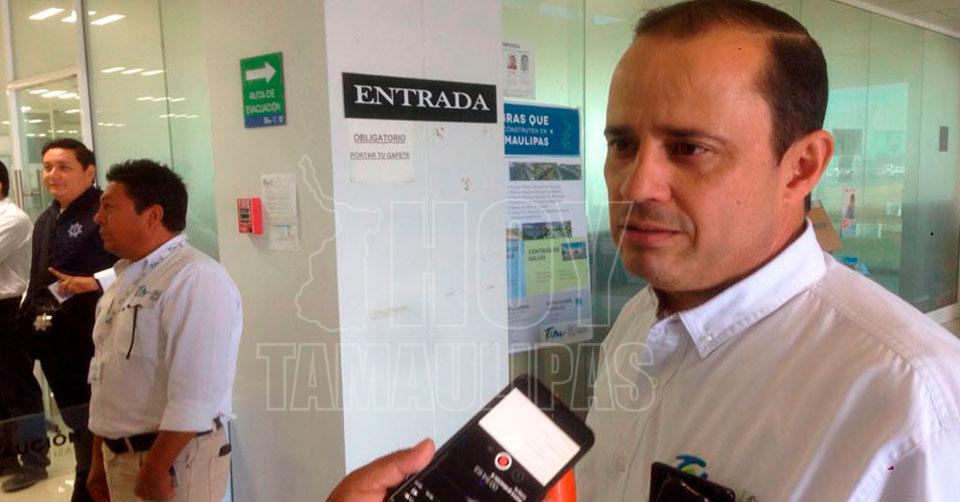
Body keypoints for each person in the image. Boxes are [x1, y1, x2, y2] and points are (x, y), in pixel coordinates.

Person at [327, 1, 960, 500]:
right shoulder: (640, 322)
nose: (635, 185)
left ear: (801, 167)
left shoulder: (910, 404)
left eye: (689, 148)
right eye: (623, 145)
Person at [83, 159, 242, 502]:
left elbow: (197, 391)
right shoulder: (124, 278)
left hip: (173, 462)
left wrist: (156, 469)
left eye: (109, 207)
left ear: (152, 215)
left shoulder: (195, 278)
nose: (98, 218)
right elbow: (106, 376)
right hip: (121, 456)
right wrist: (98, 456)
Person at [3, 139, 116, 499]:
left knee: (95, 425)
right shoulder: (47, 218)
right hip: (52, 340)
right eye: (48, 167)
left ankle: (91, 487)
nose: (53, 175)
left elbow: (139, 264)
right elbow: (38, 279)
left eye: (64, 167)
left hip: (93, 337)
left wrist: (95, 281)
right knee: (76, 420)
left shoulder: (105, 212)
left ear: (89, 171)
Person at [0, 160, 32, 478]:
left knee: (17, 388)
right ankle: (6, 458)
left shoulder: (13, 218)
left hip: (9, 310)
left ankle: (34, 460)